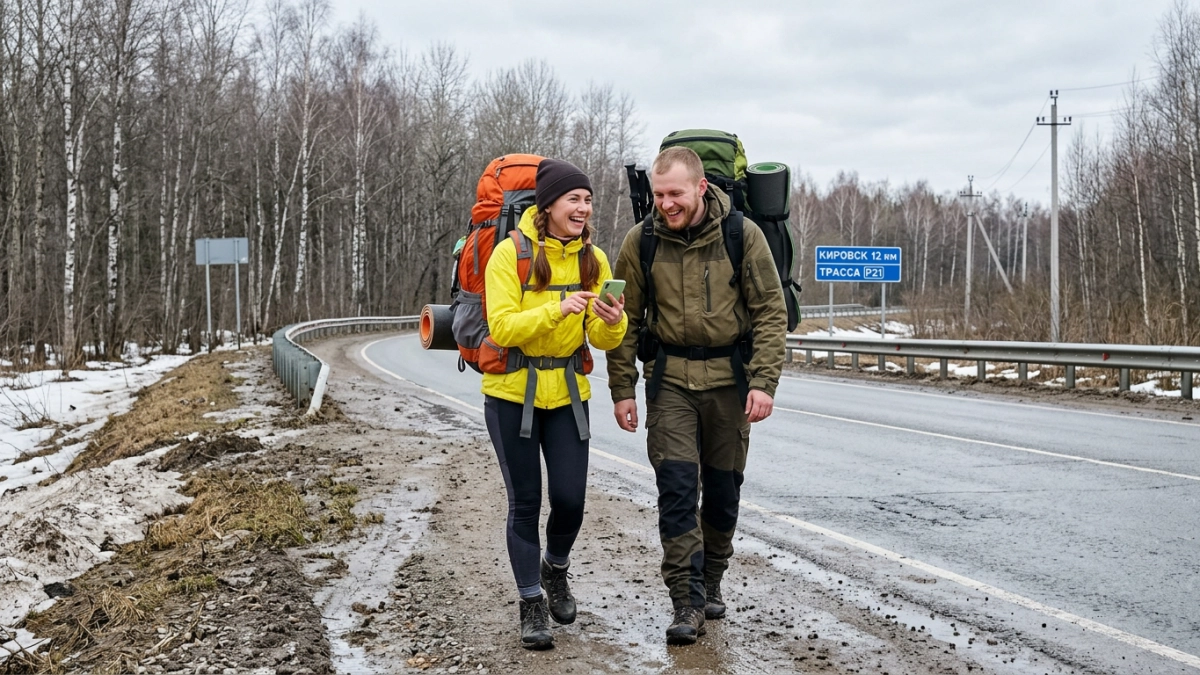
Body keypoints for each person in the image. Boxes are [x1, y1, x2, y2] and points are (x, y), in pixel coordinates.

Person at [607, 146, 787, 645]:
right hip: (670, 384)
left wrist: (763, 383)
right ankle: (685, 600)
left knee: (724, 496)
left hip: (730, 384)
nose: (666, 204)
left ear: (701, 187)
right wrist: (623, 388)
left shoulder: (741, 235)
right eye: (660, 194)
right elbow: (623, 321)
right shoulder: (640, 241)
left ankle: (711, 582)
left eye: (676, 194)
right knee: (678, 493)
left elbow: (771, 313)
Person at [482, 158, 628, 649]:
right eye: (575, 199)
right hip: (511, 394)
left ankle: (555, 568)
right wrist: (555, 308)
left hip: (568, 394)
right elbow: (501, 327)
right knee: (525, 503)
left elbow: (604, 341)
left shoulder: (595, 259)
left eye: (588, 200)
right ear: (549, 206)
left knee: (570, 500)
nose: (584, 208)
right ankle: (530, 604)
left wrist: (612, 319)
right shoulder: (509, 255)